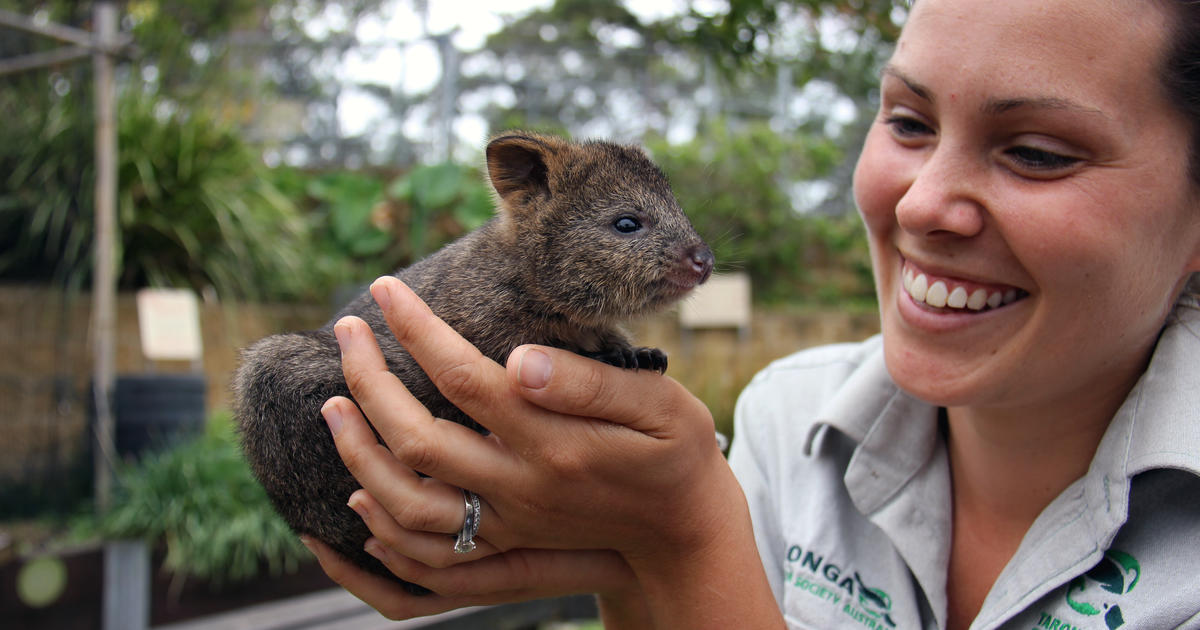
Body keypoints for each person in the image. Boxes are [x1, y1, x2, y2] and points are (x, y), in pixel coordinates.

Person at [298, 0, 1200, 627]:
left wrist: (688, 534)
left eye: (1037, 152)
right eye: (909, 123)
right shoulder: (786, 423)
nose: (922, 204)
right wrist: (627, 555)